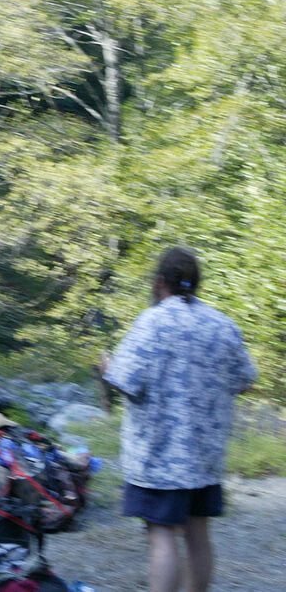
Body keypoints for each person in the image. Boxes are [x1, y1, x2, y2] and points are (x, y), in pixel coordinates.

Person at [103, 246, 257, 592]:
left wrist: (105, 368)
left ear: (160, 283)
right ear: (196, 284)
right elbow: (245, 380)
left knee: (162, 536)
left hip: (159, 459)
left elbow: (123, 381)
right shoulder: (222, 324)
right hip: (205, 456)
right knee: (198, 533)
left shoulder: (152, 322)